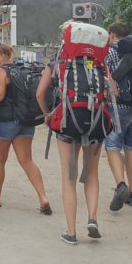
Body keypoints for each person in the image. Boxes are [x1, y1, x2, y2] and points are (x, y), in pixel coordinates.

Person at [36, 23, 112, 245]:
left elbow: (40, 93)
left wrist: (48, 114)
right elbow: (113, 91)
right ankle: (93, 218)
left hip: (67, 123)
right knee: (91, 173)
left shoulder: (59, 61)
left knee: (69, 177)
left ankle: (71, 232)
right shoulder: (99, 64)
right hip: (95, 122)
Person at [0, 43, 52, 214]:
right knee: (27, 160)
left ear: (3, 56)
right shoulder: (20, 69)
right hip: (25, 121)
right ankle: (43, 197)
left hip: (5, 121)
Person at [105, 22, 132, 210]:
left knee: (113, 146)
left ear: (112, 35)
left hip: (119, 105)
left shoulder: (111, 52)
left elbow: (105, 78)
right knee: (131, 148)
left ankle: (121, 185)